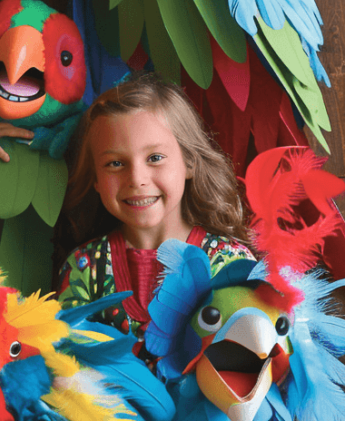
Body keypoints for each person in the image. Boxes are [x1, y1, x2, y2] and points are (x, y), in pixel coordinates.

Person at [57, 73, 253, 355]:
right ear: (96, 180)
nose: (136, 178)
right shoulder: (84, 269)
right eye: (115, 163)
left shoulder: (230, 262)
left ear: (189, 162)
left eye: (155, 158)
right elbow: (66, 366)